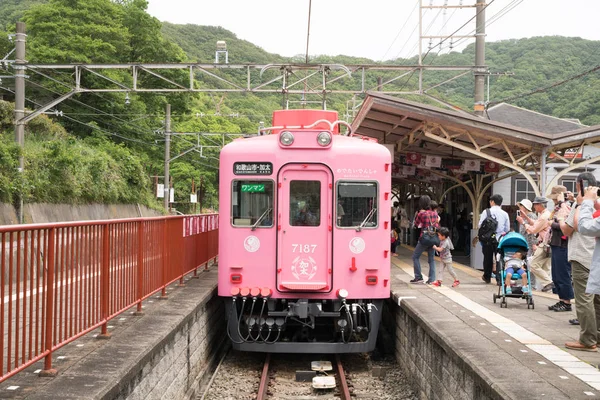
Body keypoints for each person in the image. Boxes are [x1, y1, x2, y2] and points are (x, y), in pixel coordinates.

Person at [561, 173, 600, 351]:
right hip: (594, 257)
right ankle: (596, 336)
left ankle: (587, 339)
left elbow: (573, 228)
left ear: (580, 186)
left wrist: (579, 203)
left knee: (584, 300)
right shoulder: (596, 204)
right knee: (597, 300)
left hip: (582, 256)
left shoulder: (583, 204)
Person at [518, 196, 553, 292]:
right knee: (546, 268)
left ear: (540, 205)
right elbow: (536, 224)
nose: (534, 206)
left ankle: (548, 283)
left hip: (543, 244)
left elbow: (533, 229)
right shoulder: (544, 215)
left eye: (536, 204)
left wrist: (523, 222)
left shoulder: (544, 216)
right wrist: (526, 218)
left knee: (532, 264)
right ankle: (548, 290)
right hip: (547, 244)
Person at [547, 185, 574, 312]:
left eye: (554, 197)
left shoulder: (566, 207)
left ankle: (567, 302)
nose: (553, 200)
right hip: (556, 243)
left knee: (563, 274)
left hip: (563, 245)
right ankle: (562, 299)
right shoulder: (558, 208)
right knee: (556, 274)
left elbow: (568, 226)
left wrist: (552, 224)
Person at [478, 194, 509, 284]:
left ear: (492, 202)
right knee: (499, 258)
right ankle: (499, 279)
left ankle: (487, 277)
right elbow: (507, 229)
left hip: (487, 239)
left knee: (487, 258)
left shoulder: (486, 212)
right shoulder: (505, 214)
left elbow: (480, 225)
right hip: (499, 239)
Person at [410, 195, 440, 284]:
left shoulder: (421, 214)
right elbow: (437, 225)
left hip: (424, 238)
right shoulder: (435, 214)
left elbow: (416, 224)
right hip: (434, 238)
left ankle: (418, 277)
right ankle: (432, 279)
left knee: (415, 256)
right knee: (431, 259)